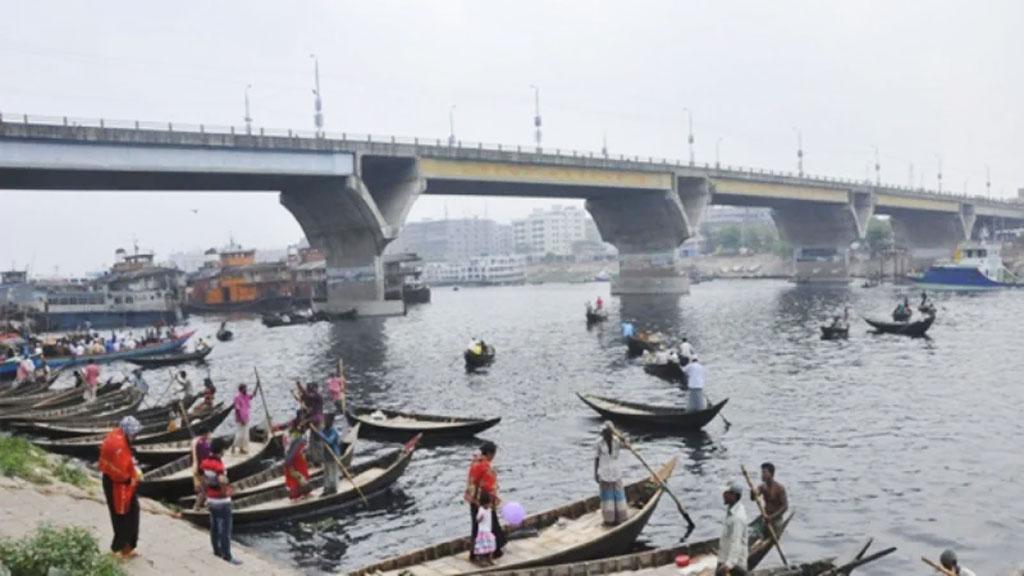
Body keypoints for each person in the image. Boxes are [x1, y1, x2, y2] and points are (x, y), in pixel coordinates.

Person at [99, 416, 143, 558]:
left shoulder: (117, 435)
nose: (136, 437)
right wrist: (131, 477)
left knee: (133, 513)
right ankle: (117, 549)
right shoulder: (118, 445)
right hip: (117, 484)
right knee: (122, 517)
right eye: (135, 434)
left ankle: (128, 547)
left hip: (123, 483)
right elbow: (119, 472)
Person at [201, 437, 242, 565]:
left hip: (211, 499)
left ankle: (216, 550)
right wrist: (228, 492)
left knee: (214, 526)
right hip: (222, 501)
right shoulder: (219, 466)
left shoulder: (205, 463)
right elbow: (222, 481)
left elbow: (203, 481)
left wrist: (205, 495)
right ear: (221, 450)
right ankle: (227, 555)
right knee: (225, 528)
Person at [465, 441, 506, 561]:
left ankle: (473, 553)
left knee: (476, 526)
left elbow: (471, 481)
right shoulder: (486, 467)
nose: (494, 457)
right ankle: (495, 551)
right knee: (490, 525)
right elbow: (489, 487)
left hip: (473, 498)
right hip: (484, 501)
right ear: (489, 453)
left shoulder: (475, 462)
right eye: (493, 454)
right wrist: (493, 501)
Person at [594, 422, 628, 526]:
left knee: (618, 497)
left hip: (616, 473)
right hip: (605, 474)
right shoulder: (599, 443)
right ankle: (609, 520)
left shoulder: (616, 441)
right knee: (607, 499)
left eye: (607, 432)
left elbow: (626, 444)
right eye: (604, 432)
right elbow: (596, 458)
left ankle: (620, 518)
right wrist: (595, 473)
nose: (604, 434)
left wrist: (621, 437)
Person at [716, 479, 749, 576]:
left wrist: (728, 565)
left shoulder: (738, 517)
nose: (723, 495)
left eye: (726, 493)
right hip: (725, 557)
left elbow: (736, 542)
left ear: (733, 495)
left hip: (734, 564)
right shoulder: (731, 509)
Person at [751, 462, 788, 538]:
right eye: (762, 472)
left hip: (775, 519)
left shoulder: (780, 488)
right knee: (751, 530)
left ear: (771, 474)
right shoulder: (762, 487)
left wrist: (771, 517)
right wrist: (752, 492)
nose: (762, 475)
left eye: (764, 472)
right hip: (765, 516)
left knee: (770, 533)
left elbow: (785, 507)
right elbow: (753, 498)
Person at [283, 417, 312, 499]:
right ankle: (298, 495)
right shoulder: (294, 435)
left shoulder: (292, 434)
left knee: (300, 475)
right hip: (294, 458)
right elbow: (303, 445)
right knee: (297, 477)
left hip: (296, 458)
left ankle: (302, 493)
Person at [472, 491, 498, 566]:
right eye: (488, 503)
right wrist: (480, 518)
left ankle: (489, 558)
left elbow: (494, 507)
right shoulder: (481, 510)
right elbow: (477, 520)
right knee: (482, 546)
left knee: (491, 545)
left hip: (488, 530)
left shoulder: (489, 509)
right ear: (483, 503)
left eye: (490, 503)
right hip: (483, 531)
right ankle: (481, 559)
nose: (489, 505)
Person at [320, 413, 342, 495]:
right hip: (326, 455)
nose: (324, 422)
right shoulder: (323, 430)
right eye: (324, 420)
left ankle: (333, 489)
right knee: (326, 473)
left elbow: (329, 441)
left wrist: (321, 435)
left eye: (326, 420)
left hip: (333, 455)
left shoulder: (334, 432)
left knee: (333, 472)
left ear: (331, 422)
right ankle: (326, 488)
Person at [191, 431, 213, 511]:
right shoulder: (202, 444)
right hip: (202, 469)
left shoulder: (200, 442)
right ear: (205, 434)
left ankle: (201, 505)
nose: (210, 435)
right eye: (209, 433)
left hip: (199, 468)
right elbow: (204, 457)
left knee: (204, 488)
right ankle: (197, 506)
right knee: (205, 489)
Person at [232, 384, 257, 455]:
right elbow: (237, 409)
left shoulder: (245, 396)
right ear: (241, 389)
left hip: (246, 417)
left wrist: (256, 386)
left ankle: (241, 449)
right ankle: (233, 446)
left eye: (246, 389)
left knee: (245, 434)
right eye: (244, 389)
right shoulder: (237, 397)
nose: (246, 390)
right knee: (239, 434)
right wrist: (241, 419)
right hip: (240, 419)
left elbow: (252, 396)